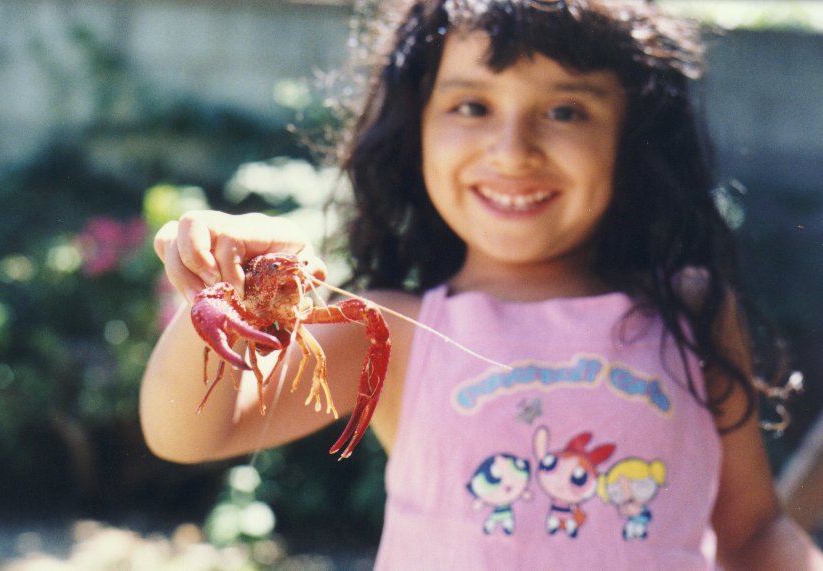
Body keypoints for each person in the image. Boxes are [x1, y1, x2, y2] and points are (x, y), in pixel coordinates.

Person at [140, 1, 823, 569]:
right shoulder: (390, 328)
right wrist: (227, 294)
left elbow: (754, 531)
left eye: (566, 111)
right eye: (471, 105)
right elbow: (192, 433)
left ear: (633, 138)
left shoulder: (692, 311)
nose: (512, 147)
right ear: (416, 132)